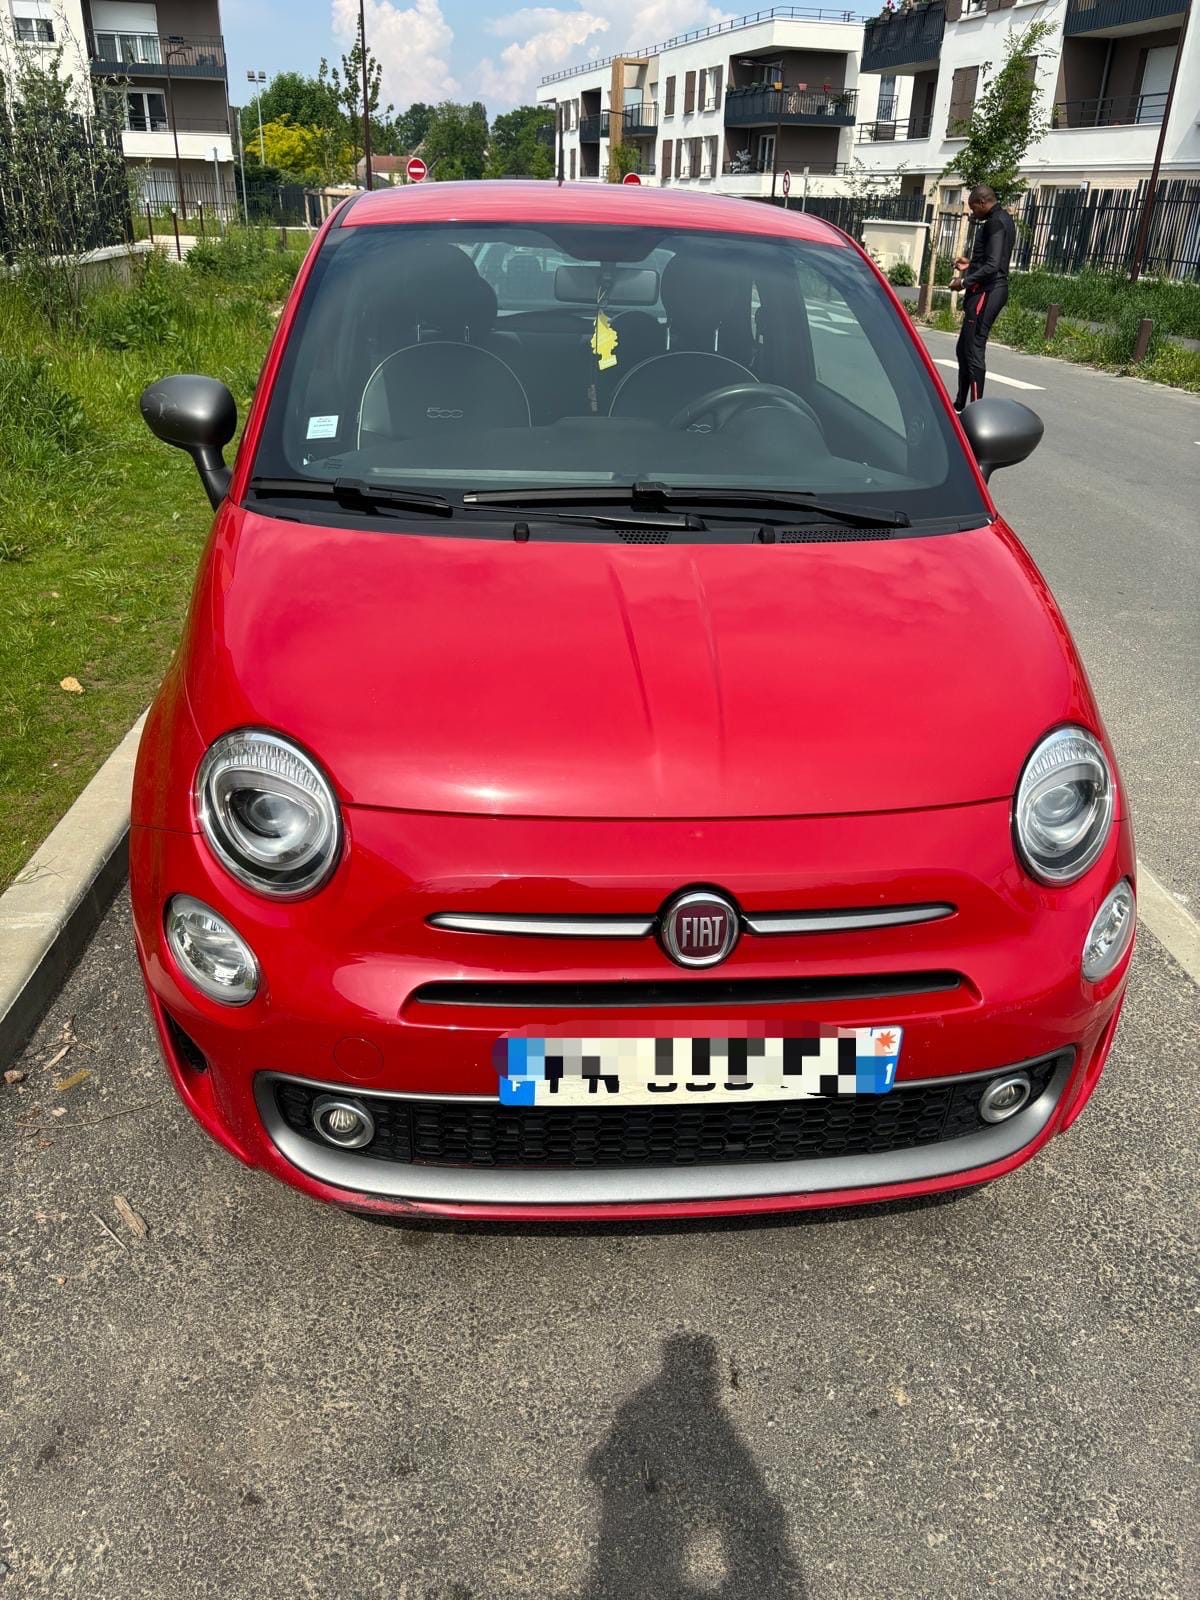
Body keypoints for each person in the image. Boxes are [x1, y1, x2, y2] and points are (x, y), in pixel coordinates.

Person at [949, 183, 1015, 410]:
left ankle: (976, 409)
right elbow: (991, 260)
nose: (973, 212)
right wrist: (971, 264)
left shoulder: (995, 222)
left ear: (982, 202)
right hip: (987, 289)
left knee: (973, 349)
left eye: (973, 208)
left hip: (988, 292)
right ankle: (960, 402)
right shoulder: (1002, 219)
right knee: (963, 348)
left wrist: (963, 282)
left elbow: (994, 265)